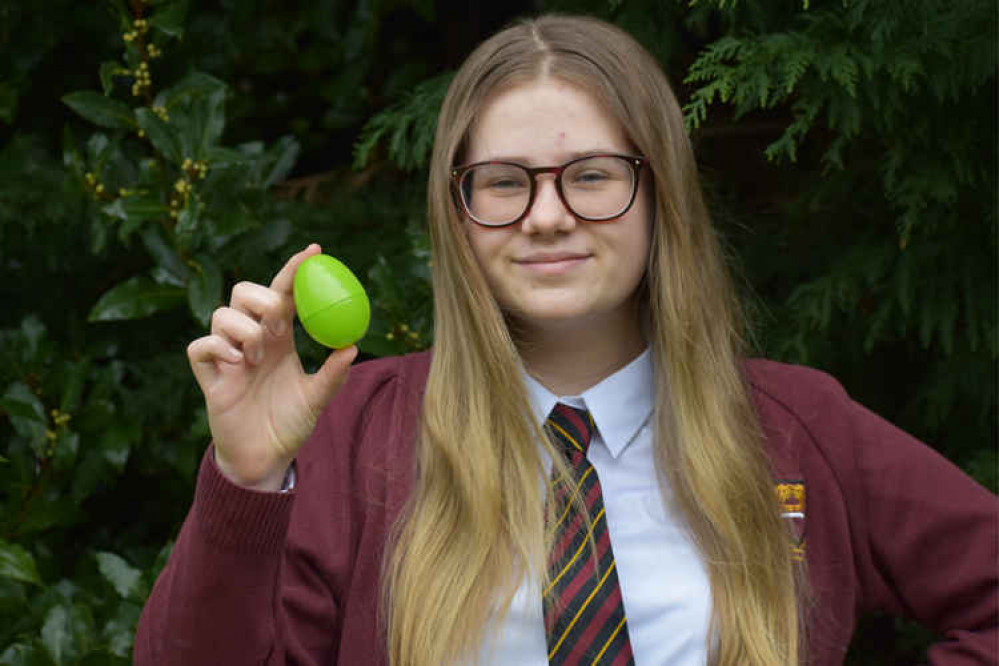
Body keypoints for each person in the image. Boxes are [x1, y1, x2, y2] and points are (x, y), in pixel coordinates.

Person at [133, 13, 997, 666]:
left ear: (660, 194)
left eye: (591, 175)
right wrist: (246, 482)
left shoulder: (797, 424)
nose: (547, 217)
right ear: (456, 212)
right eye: (504, 183)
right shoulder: (353, 432)